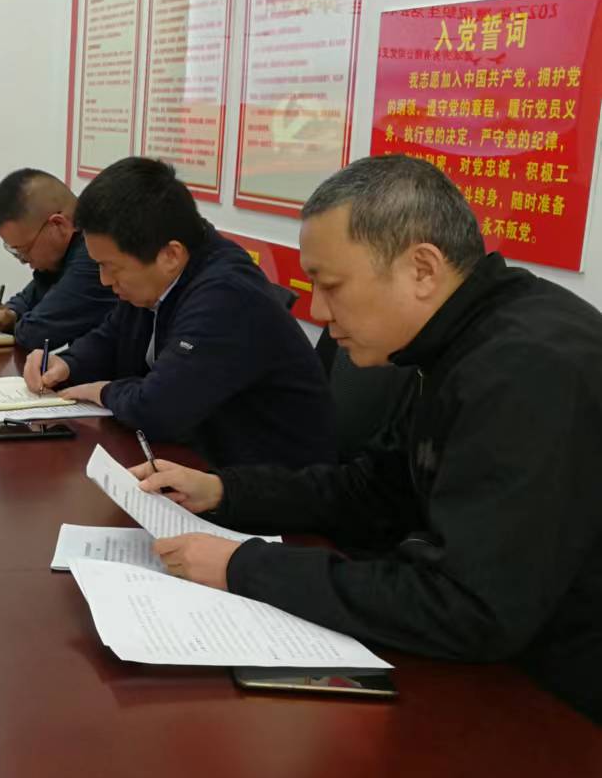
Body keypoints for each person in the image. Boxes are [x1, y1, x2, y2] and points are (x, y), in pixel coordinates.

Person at [140, 155, 602, 723]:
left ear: (422, 270)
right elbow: (373, 491)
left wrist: (245, 568)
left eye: (331, 285)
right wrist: (225, 492)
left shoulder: (527, 370)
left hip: (561, 706)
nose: (317, 310)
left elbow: (471, 609)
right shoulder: (450, 341)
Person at [25, 157, 334, 468]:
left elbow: (158, 409)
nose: (104, 280)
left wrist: (104, 391)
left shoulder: (226, 294)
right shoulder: (158, 272)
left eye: (111, 267)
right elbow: (113, 334)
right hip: (198, 460)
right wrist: (68, 364)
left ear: (170, 255)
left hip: (267, 480)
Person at [0, 167, 117, 351]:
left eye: (24, 250)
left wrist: (15, 323)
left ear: (58, 225)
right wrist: (9, 313)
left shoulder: (95, 255)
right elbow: (34, 294)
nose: (23, 260)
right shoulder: (64, 253)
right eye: (14, 251)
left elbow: (36, 333)